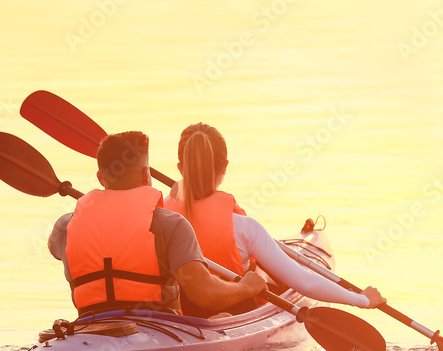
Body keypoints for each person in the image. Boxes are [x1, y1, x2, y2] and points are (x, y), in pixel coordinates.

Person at [165, 122, 387, 316]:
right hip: (235, 313)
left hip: (179, 315)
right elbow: (305, 283)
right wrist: (362, 299)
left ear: (180, 168)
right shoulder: (245, 229)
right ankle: (219, 318)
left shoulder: (159, 219)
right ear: (225, 167)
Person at [48, 130, 267, 316]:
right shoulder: (170, 224)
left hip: (90, 326)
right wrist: (246, 288)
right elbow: (204, 295)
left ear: (100, 177)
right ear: (146, 175)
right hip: (159, 328)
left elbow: (56, 249)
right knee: (220, 318)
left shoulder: (65, 225)